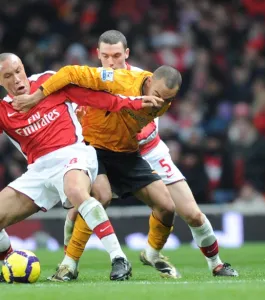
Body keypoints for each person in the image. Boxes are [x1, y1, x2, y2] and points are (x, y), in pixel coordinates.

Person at [0, 52, 162, 282]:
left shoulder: (48, 82)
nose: (16, 79)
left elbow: (94, 98)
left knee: (76, 191)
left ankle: (119, 258)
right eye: (8, 76)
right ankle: (10, 261)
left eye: (18, 71)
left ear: (24, 68)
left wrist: (133, 102)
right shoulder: (3, 111)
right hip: (38, 169)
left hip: (73, 153)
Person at [93, 30, 239, 277]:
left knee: (192, 213)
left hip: (149, 150)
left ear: (125, 54)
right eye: (106, 56)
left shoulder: (145, 79)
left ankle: (215, 263)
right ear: (98, 55)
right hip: (109, 154)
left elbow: (150, 120)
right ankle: (69, 264)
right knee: (82, 204)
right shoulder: (93, 81)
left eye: (116, 55)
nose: (111, 61)